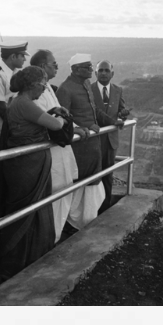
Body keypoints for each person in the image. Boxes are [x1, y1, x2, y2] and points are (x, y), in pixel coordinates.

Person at [0, 66, 66, 285]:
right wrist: (60, 115)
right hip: (27, 167)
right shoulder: (25, 104)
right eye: (43, 86)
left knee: (27, 212)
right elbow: (55, 124)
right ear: (32, 85)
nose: (44, 90)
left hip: (27, 166)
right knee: (25, 213)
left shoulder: (17, 101)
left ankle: (26, 259)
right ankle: (17, 263)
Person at [55, 54, 111, 232]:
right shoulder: (65, 89)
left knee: (92, 182)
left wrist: (112, 121)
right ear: (75, 69)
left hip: (92, 145)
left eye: (90, 66)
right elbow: (62, 117)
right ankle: (72, 224)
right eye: (86, 67)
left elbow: (93, 110)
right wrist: (79, 128)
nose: (90, 69)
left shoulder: (86, 85)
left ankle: (87, 221)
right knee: (77, 182)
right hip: (78, 147)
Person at [29, 50, 77, 241]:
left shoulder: (48, 87)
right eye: (54, 64)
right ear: (42, 67)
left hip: (59, 148)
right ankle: (48, 238)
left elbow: (60, 114)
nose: (57, 67)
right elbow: (47, 118)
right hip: (48, 149)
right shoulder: (36, 91)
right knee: (53, 193)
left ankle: (53, 236)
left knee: (62, 190)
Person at [92, 60, 129, 213]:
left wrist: (123, 115)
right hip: (93, 140)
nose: (104, 73)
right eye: (100, 70)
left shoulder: (117, 90)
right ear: (95, 73)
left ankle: (105, 209)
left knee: (108, 175)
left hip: (111, 141)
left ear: (112, 74)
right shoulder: (88, 89)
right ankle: (91, 210)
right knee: (92, 176)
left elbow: (122, 110)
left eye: (107, 70)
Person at [0, 41, 27, 151]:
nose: (25, 59)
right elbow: (1, 108)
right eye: (22, 56)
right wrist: (20, 127)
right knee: (0, 165)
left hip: (15, 124)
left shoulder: (17, 73)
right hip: (2, 126)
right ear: (13, 56)